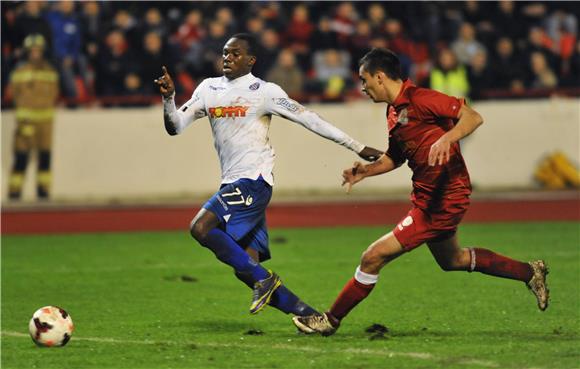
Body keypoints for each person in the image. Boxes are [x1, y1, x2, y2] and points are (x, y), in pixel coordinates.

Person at [292, 48, 549, 336]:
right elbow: (396, 156)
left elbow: (473, 117)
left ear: (380, 77)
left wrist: (446, 138)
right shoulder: (393, 112)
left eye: (364, 80)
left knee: (372, 257)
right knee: (453, 261)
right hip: (428, 197)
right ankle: (530, 272)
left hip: (443, 199)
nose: (362, 87)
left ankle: (330, 320)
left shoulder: (422, 99)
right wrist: (366, 171)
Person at [155, 33, 381, 318]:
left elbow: (308, 118)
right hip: (233, 182)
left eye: (236, 54)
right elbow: (175, 126)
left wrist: (357, 146)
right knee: (247, 266)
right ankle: (310, 316)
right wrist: (169, 98)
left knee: (201, 227)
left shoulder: (264, 91)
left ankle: (265, 280)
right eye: (225, 52)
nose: (228, 58)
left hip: (254, 181)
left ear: (251, 60)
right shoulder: (208, 89)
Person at [8, 34, 59, 200]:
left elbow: (54, 94)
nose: (35, 53)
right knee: (21, 158)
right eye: (32, 50)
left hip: (45, 124)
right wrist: (23, 121)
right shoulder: (20, 72)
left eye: (38, 50)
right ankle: (14, 192)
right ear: (27, 52)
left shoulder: (51, 72)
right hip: (26, 123)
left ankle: (43, 191)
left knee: (45, 158)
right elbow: (15, 96)